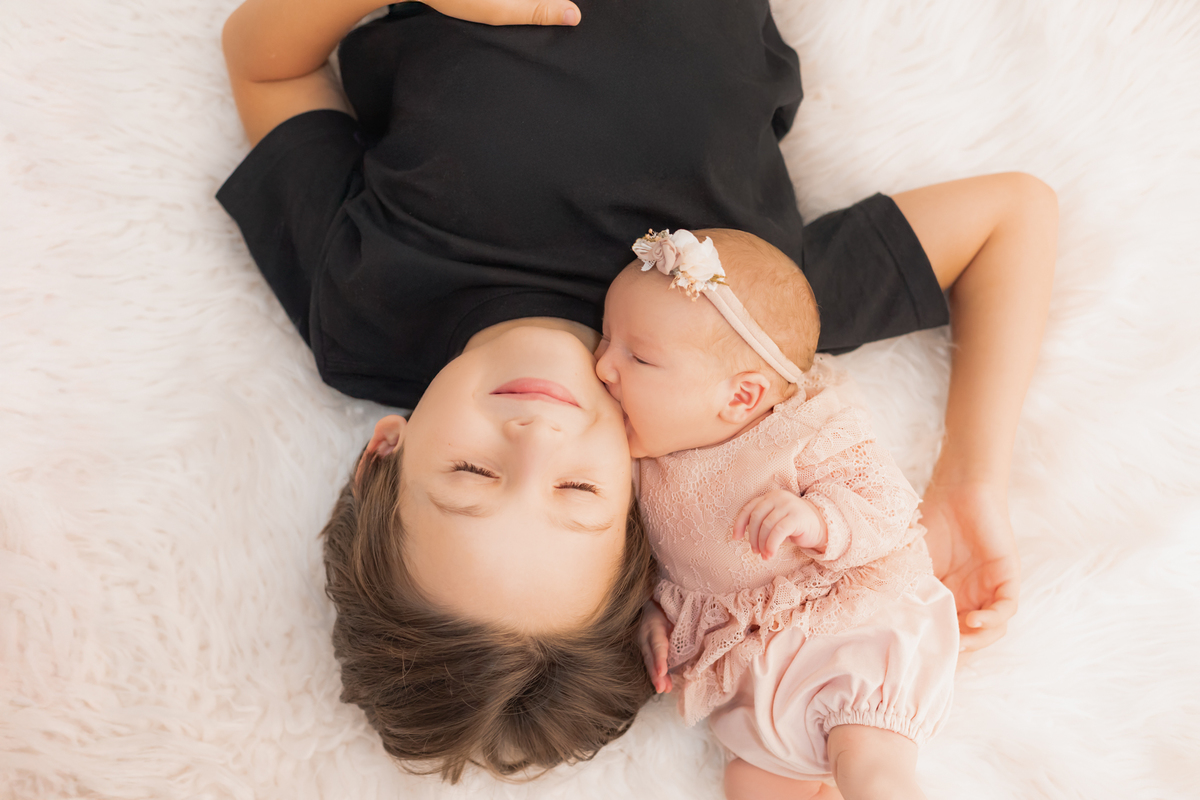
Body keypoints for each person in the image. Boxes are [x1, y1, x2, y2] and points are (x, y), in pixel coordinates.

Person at [217, 0, 1057, 782]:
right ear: (637, 504)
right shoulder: (744, 331)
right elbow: (1011, 217)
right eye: (577, 492)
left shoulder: (362, 312)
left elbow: (264, 65)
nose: (535, 440)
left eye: (471, 475)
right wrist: (970, 479)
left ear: (384, 453)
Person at [600, 228, 956, 799]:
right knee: (748, 786)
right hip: (755, 684)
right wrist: (654, 615)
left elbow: (888, 506)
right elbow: (648, 561)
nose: (602, 368)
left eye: (636, 357)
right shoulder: (637, 465)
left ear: (740, 396)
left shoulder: (801, 429)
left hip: (844, 638)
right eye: (604, 339)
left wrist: (819, 519)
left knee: (869, 769)